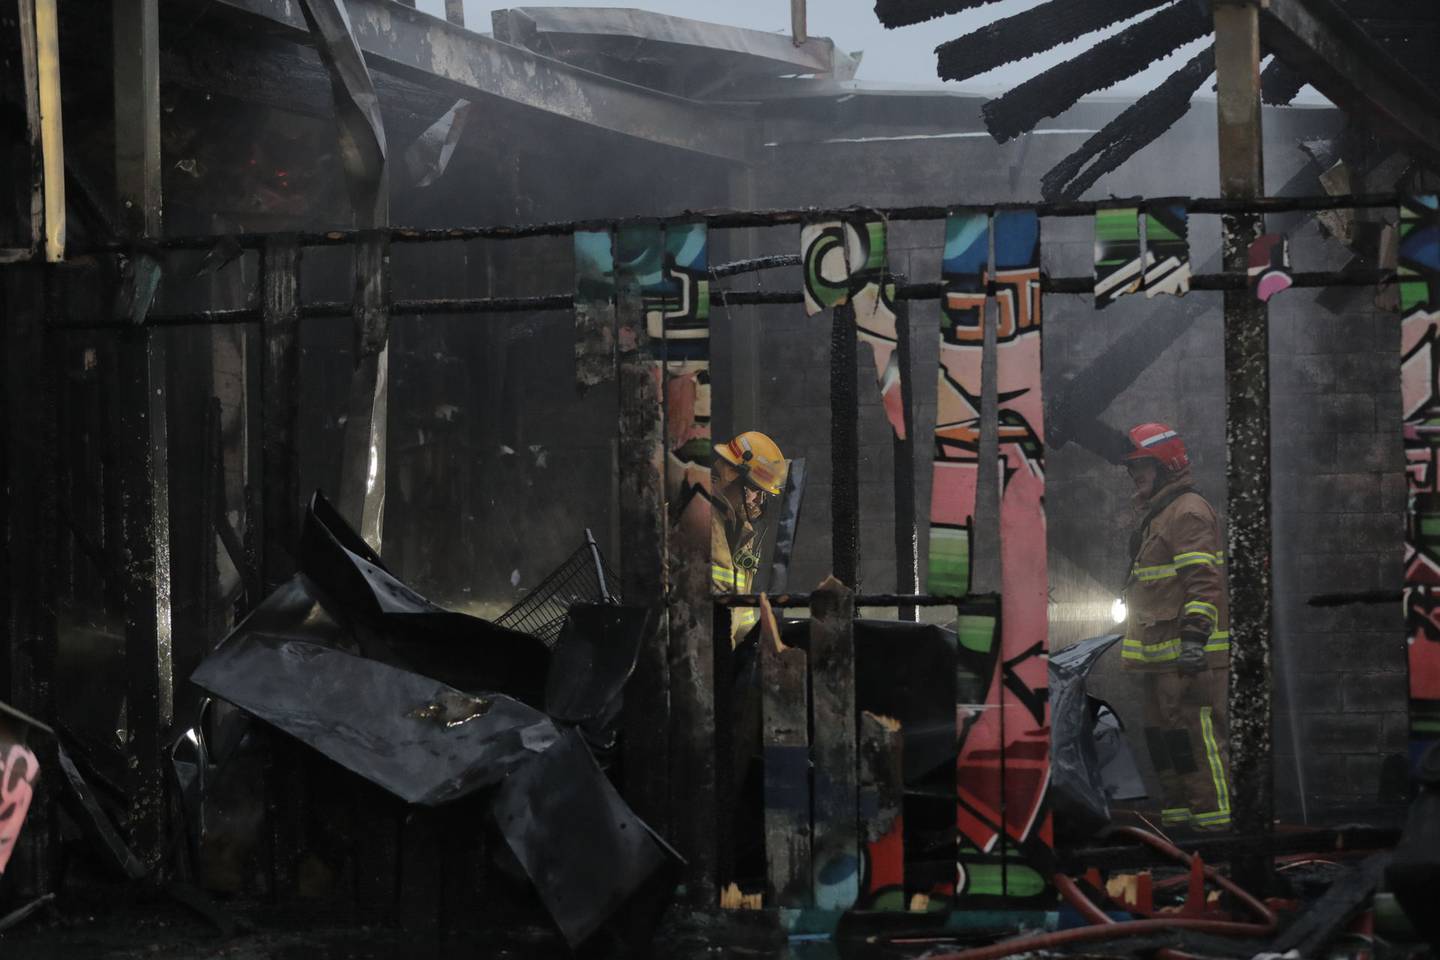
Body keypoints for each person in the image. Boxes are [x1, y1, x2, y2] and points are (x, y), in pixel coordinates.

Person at [1120, 422, 1233, 832]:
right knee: (1168, 745)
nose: (1135, 475)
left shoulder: (1187, 511)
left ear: (1166, 464)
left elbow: (1204, 582)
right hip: (1160, 660)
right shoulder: (1161, 514)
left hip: (1188, 659)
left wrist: (1193, 641)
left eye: (1141, 466)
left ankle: (1218, 830)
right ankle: (1182, 828)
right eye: (1132, 469)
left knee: (1197, 744)